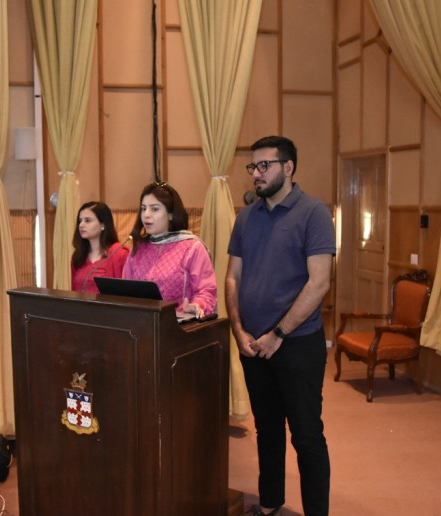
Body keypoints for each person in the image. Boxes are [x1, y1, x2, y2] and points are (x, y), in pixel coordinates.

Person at [225, 136, 335, 516]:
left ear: (288, 167)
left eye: (264, 166)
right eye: (252, 167)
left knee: (306, 435)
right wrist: (238, 330)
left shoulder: (314, 213)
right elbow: (232, 278)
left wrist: (278, 334)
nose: (256, 173)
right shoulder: (246, 217)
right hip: (253, 345)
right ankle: (270, 504)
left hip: (298, 344)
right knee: (267, 430)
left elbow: (319, 283)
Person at [123, 182, 217, 319]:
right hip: (139, 324)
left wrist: (197, 306)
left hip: (178, 326)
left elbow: (206, 291)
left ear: (171, 214)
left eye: (154, 209)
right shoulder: (138, 248)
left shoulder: (192, 248)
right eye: (143, 209)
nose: (146, 215)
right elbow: (125, 290)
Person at [70, 201, 129, 294]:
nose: (81, 225)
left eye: (87, 220)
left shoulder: (119, 254)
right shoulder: (78, 256)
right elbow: (73, 290)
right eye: (80, 221)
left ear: (103, 224)